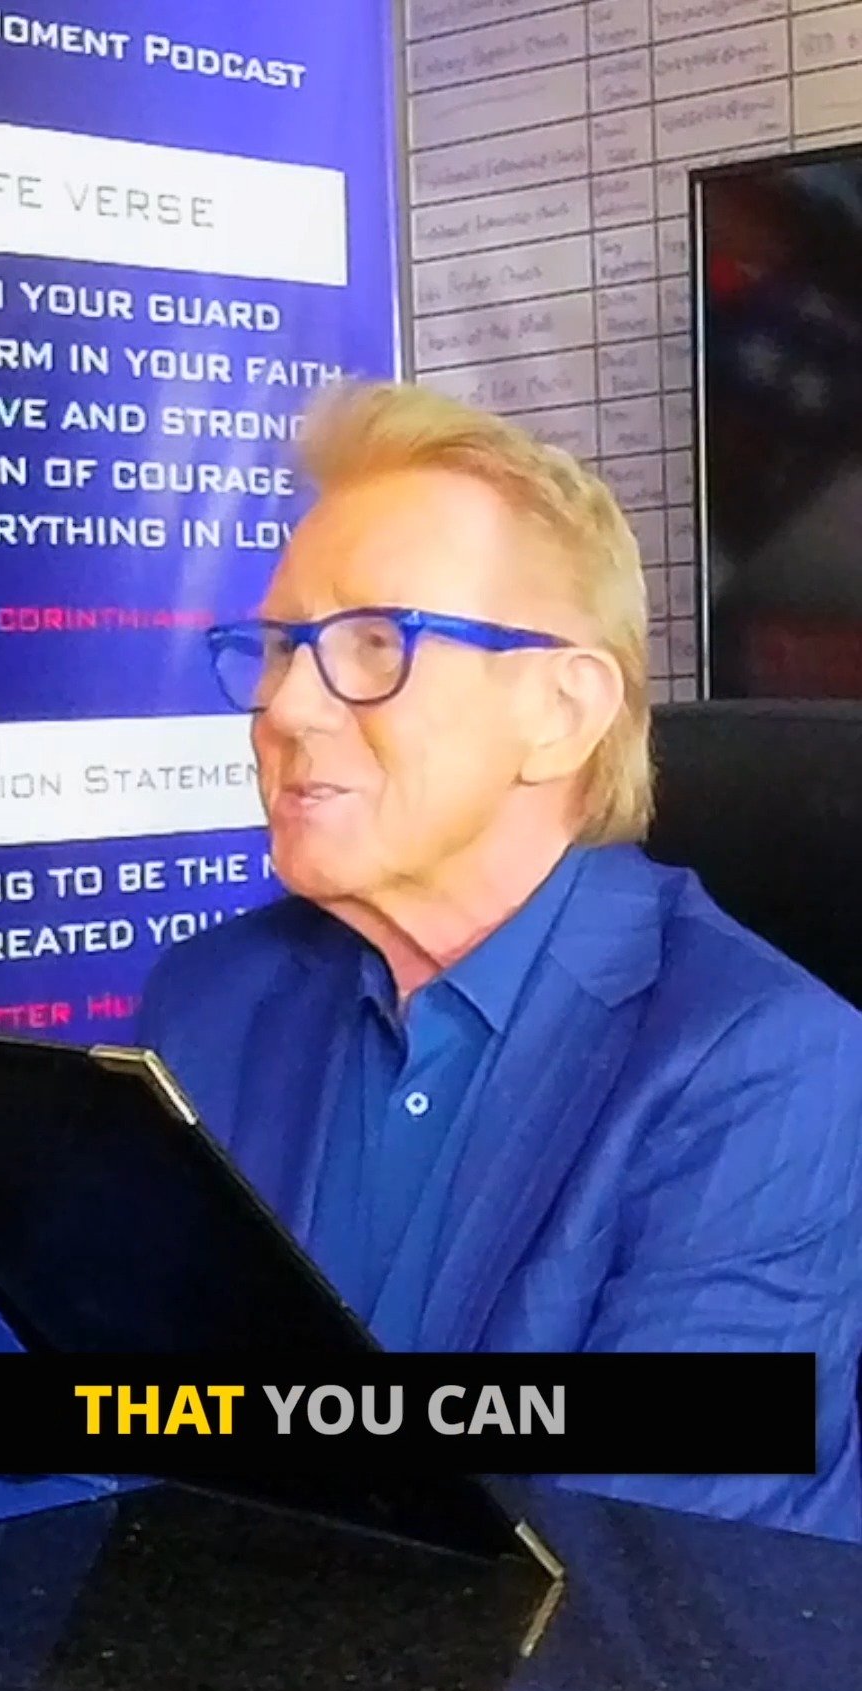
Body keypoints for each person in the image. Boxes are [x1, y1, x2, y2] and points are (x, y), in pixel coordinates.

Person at [137, 379, 862, 1542]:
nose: (285, 708)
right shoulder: (210, 1000)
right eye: (277, 648)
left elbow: (644, 1570)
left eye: (374, 644)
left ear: (561, 713)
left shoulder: (767, 1067)